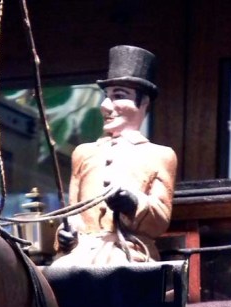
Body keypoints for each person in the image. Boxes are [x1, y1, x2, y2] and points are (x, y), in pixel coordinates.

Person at [56, 44, 177, 265]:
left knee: (115, 270)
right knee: (55, 273)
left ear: (144, 102)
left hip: (130, 253)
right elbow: (73, 212)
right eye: (106, 96)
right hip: (81, 253)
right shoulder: (84, 153)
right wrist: (66, 234)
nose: (105, 106)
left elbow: (160, 220)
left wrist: (133, 204)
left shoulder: (160, 155)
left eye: (119, 96)